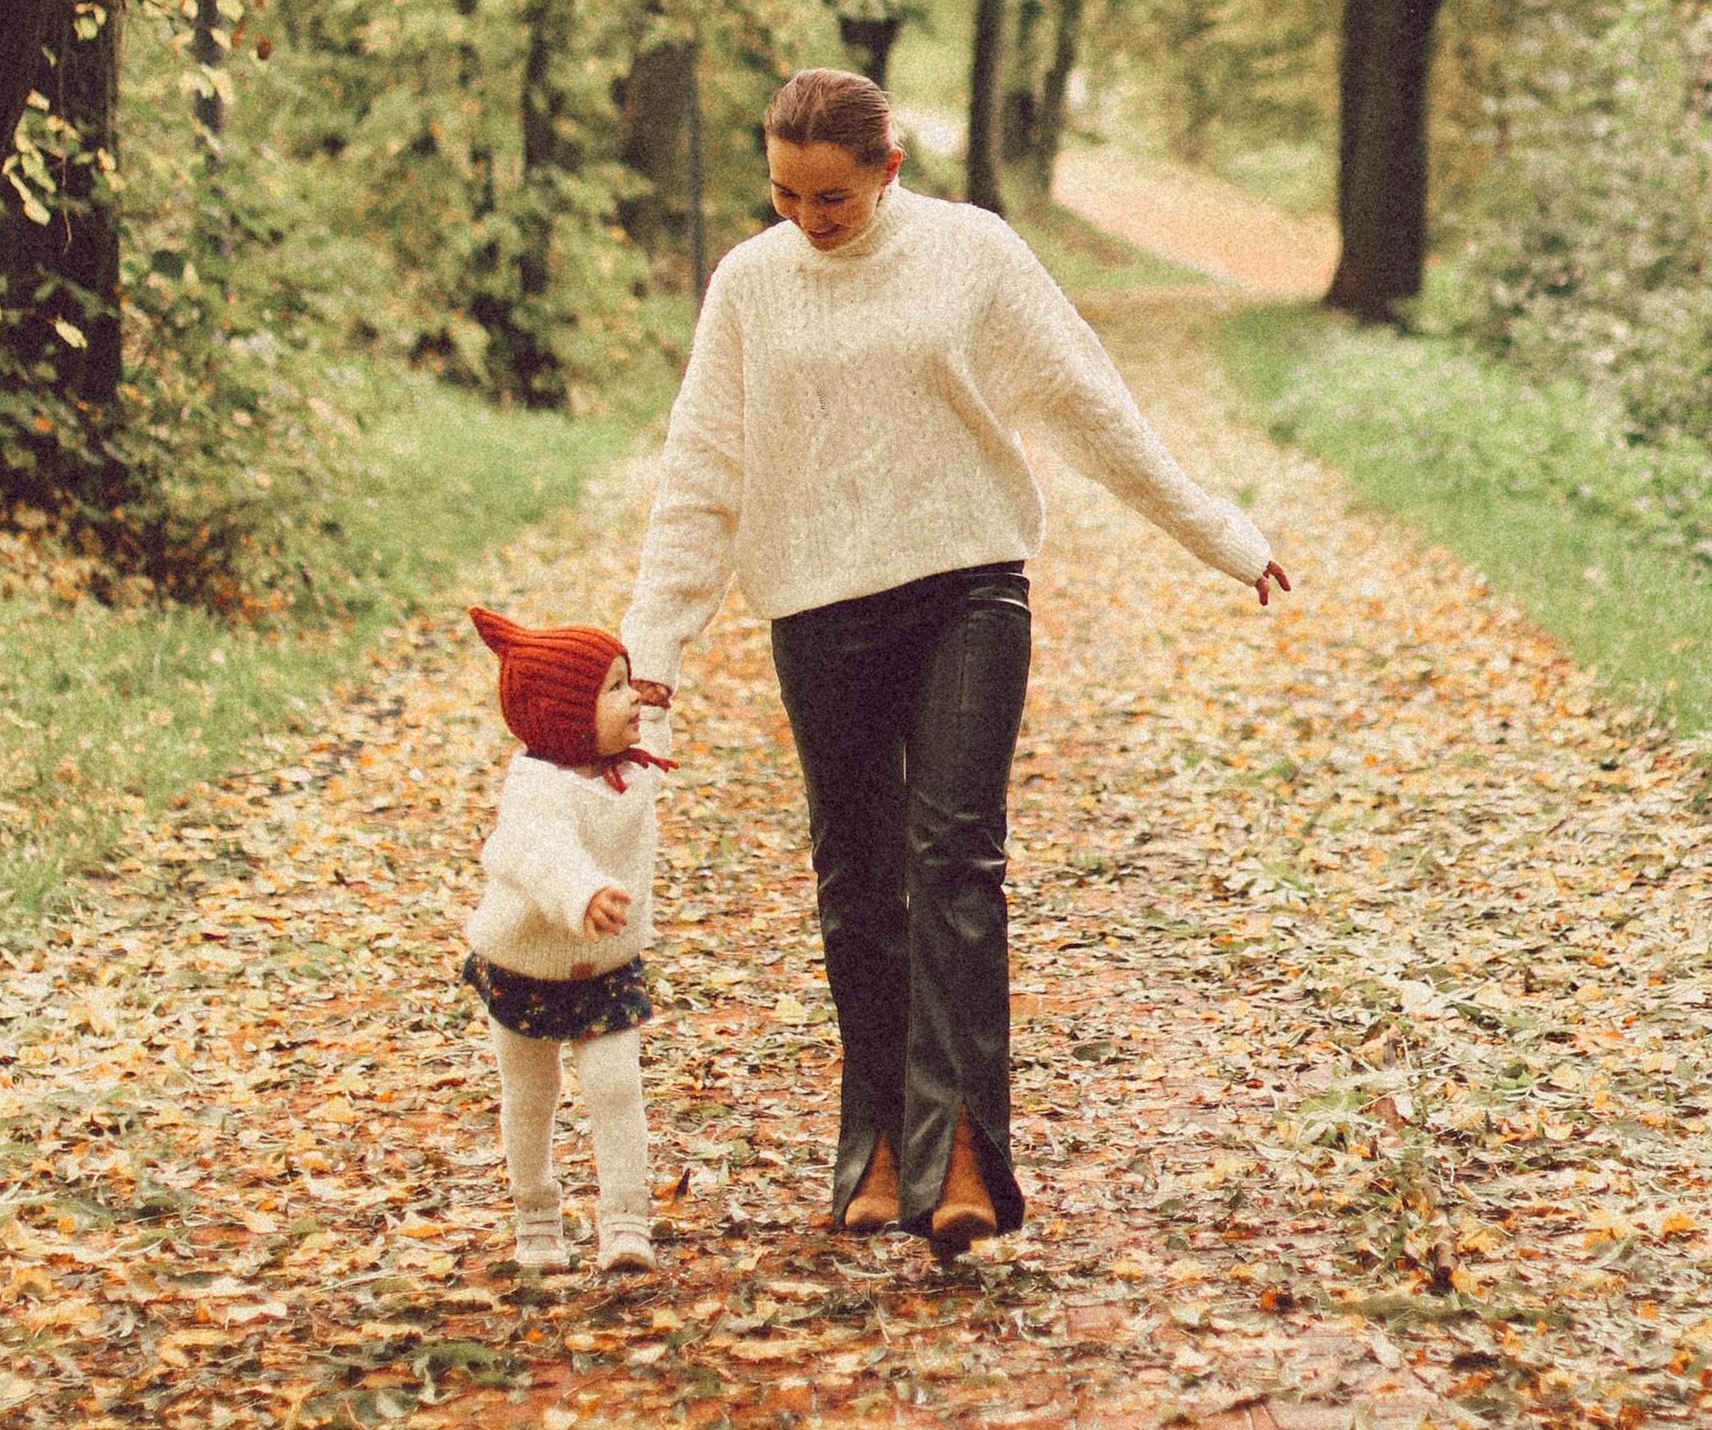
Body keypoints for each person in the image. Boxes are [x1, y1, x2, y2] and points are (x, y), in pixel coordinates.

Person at [623, 66, 1289, 1262]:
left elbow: (1091, 406)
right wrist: (653, 642)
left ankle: (969, 1149)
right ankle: (879, 1142)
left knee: (955, 856)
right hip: (818, 605)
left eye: (831, 197)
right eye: (783, 194)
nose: (807, 220)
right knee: (856, 879)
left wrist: (1219, 535)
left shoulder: (971, 255)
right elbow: (703, 471)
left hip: (967, 590)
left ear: (890, 169)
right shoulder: (749, 285)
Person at [462, 608, 675, 1275]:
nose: (633, 698)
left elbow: (646, 728)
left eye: (630, 681)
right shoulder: (534, 789)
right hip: (525, 964)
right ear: (568, 718)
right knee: (531, 1094)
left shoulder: (630, 769)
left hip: (606, 964)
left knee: (616, 1085)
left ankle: (626, 1221)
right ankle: (537, 1216)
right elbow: (539, 854)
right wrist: (582, 894)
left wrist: (657, 695)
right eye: (615, 688)